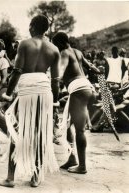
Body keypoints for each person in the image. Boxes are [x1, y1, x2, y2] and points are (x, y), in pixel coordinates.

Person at [0, 15, 60, 188]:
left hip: (27, 90)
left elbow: (17, 71)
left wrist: (8, 94)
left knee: (17, 131)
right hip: (45, 91)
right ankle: (36, 176)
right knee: (40, 133)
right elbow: (55, 81)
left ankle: (10, 178)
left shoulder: (25, 44)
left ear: (32, 26)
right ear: (46, 29)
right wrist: (56, 102)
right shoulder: (54, 49)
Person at [52, 32, 103, 174]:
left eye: (55, 45)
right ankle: (72, 158)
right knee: (68, 125)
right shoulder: (78, 52)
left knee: (80, 131)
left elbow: (60, 73)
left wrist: (53, 79)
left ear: (60, 43)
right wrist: (98, 71)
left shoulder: (64, 53)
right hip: (87, 87)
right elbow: (90, 66)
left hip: (78, 90)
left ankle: (82, 166)